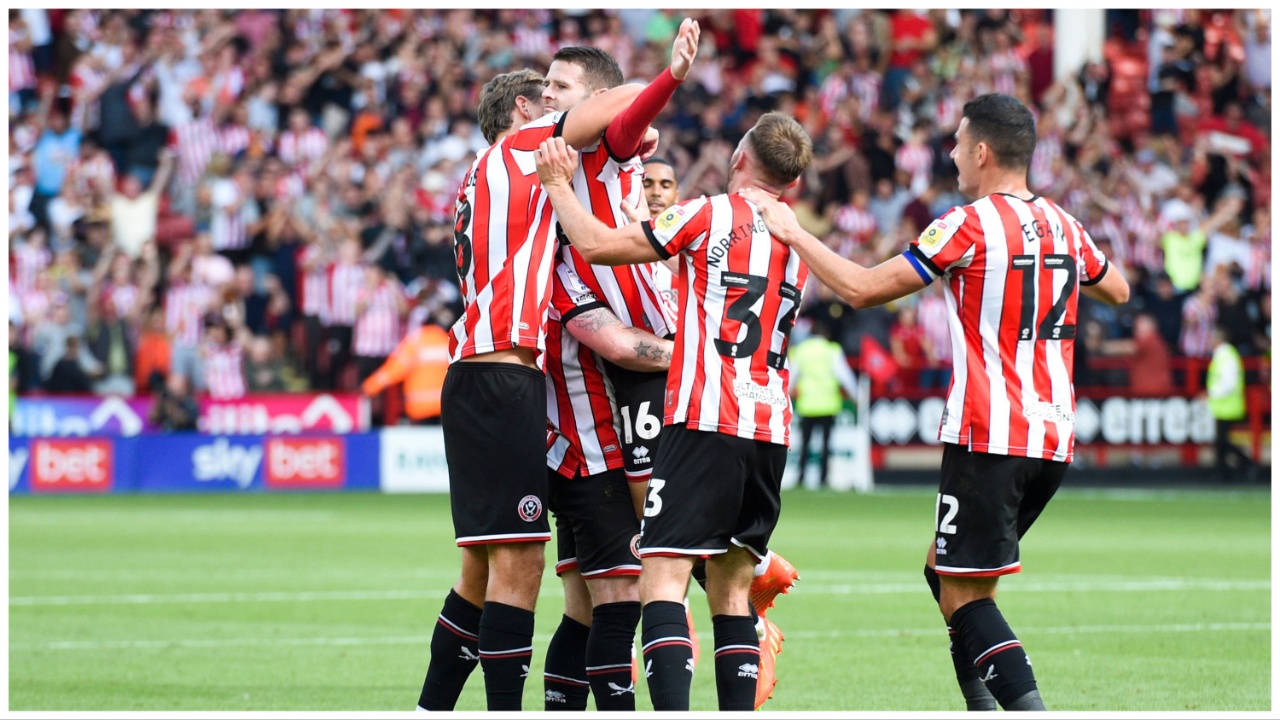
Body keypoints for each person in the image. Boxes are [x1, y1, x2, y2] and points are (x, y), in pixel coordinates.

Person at [740, 93, 1130, 711]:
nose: (949, 154)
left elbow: (863, 289)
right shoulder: (1064, 224)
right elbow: (1118, 286)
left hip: (990, 432)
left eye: (955, 143)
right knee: (946, 574)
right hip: (1053, 434)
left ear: (981, 151)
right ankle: (980, 706)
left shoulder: (966, 225)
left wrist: (793, 232)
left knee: (964, 597)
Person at [534, 109, 814, 711]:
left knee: (662, 579)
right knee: (733, 594)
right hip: (769, 424)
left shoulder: (708, 212)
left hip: (705, 419)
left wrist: (558, 183)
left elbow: (598, 245)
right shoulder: (797, 242)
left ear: (739, 157)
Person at [413, 55, 665, 712]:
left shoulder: (484, 178)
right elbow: (624, 102)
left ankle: (430, 707)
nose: (555, 105)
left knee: (479, 572)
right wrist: (656, 90)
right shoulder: (525, 147)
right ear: (526, 113)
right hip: (502, 380)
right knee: (519, 568)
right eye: (546, 96)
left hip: (484, 375)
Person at [533, 36, 696, 713]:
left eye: (560, 88)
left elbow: (630, 117)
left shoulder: (607, 150)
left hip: (610, 395)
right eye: (543, 86)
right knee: (625, 589)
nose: (547, 98)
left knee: (595, 598)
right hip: (601, 408)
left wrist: (669, 77)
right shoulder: (544, 181)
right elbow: (626, 349)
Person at [789, 317, 859, 489]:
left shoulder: (801, 350)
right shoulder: (832, 350)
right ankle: (823, 478)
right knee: (826, 445)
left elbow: (792, 376)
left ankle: (801, 477)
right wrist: (856, 396)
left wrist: (787, 393)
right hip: (828, 404)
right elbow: (845, 376)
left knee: (805, 445)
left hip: (808, 405)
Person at [360, 322, 451, 424]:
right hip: (446, 407)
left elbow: (393, 371)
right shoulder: (448, 341)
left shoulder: (415, 342)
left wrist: (368, 387)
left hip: (420, 407)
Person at [1204, 322, 1257, 482]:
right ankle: (1225, 472)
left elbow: (1229, 384)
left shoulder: (1226, 356)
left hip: (1227, 406)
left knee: (1222, 442)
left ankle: (1241, 466)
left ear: (1218, 339)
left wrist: (1210, 393)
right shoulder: (1225, 355)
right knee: (1221, 442)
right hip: (1223, 406)